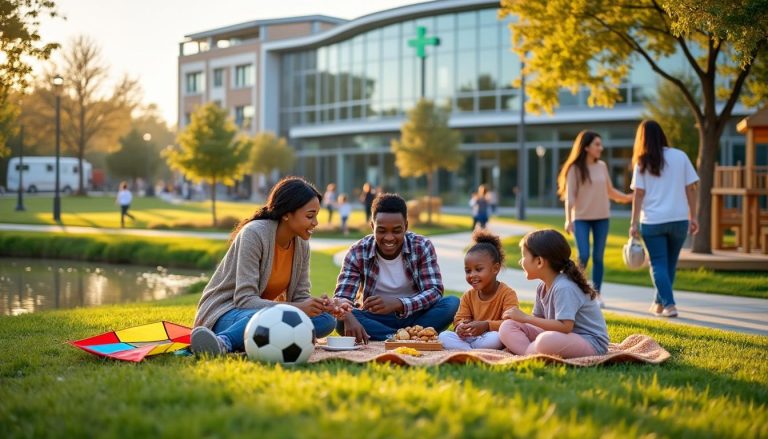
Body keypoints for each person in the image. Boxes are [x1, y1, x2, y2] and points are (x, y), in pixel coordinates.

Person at [190, 177, 351, 355]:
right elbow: (245, 300)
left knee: (326, 320)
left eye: (316, 216)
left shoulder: (302, 245)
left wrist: (319, 306)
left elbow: (300, 297)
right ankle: (223, 342)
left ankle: (282, 335)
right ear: (286, 214)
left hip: (262, 313)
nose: (315, 223)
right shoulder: (254, 234)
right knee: (264, 319)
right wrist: (297, 309)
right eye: (309, 216)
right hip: (227, 312)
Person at [334, 193, 460, 343]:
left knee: (452, 303)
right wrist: (348, 316)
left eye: (396, 230)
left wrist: (398, 304)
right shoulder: (357, 251)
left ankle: (392, 336)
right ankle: (402, 337)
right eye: (381, 230)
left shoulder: (421, 246)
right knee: (341, 321)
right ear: (372, 226)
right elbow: (341, 298)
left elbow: (434, 291)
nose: (389, 237)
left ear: (406, 226)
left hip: (416, 315)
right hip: (375, 318)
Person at [499, 229, 609, 358]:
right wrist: (520, 321)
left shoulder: (564, 287)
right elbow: (538, 321)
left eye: (524, 256)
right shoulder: (542, 287)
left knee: (545, 341)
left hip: (590, 342)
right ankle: (529, 353)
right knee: (507, 326)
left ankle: (531, 351)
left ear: (539, 261)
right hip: (559, 336)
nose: (520, 261)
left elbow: (565, 326)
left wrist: (525, 318)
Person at [629, 120, 699, 318]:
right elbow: (691, 189)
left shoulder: (642, 162)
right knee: (669, 264)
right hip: (679, 220)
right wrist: (693, 217)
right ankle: (659, 303)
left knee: (658, 263)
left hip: (652, 221)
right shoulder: (680, 156)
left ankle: (669, 305)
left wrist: (633, 223)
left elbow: (638, 195)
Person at [557, 130, 632, 307]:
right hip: (581, 218)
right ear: (586, 147)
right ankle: (580, 291)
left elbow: (610, 191)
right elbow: (570, 197)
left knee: (598, 257)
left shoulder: (602, 166)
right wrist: (569, 219)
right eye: (597, 144)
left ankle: (596, 294)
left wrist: (628, 197)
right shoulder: (574, 169)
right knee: (583, 255)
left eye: (601, 144)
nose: (601, 148)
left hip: (601, 218)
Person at [438, 229, 519, 350]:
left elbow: (511, 324)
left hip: (490, 336)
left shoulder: (507, 294)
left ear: (495, 268)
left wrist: (486, 325)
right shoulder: (468, 296)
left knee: (496, 338)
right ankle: (471, 351)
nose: (472, 275)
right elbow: (460, 318)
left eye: (478, 269)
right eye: (468, 271)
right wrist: (460, 326)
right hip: (471, 337)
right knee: (443, 336)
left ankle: (467, 350)